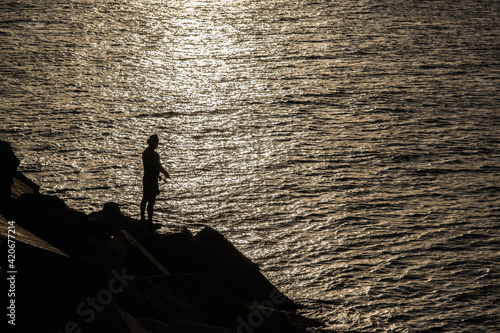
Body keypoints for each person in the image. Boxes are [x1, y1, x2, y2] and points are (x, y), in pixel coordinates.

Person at [140, 134, 170, 225]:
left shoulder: (145, 153)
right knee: (151, 201)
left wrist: (159, 174)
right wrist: (165, 173)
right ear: (153, 143)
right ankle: (149, 220)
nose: (157, 144)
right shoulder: (155, 155)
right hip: (152, 180)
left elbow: (150, 167)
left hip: (146, 179)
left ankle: (142, 218)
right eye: (157, 142)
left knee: (145, 198)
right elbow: (158, 166)